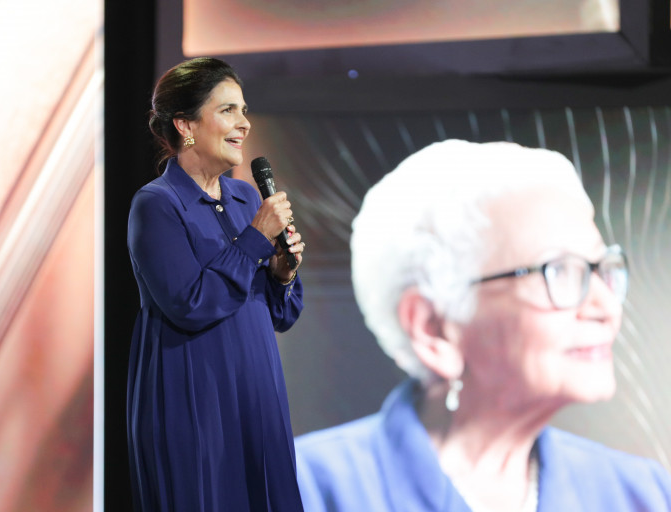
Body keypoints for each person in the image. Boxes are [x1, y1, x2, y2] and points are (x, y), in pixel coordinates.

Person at [295, 140, 671, 511]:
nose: (607, 308)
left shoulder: (642, 494)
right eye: (559, 271)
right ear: (434, 329)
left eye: (602, 269)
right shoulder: (300, 489)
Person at [126, 57, 306, 511]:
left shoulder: (246, 196)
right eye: (228, 110)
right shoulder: (157, 204)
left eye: (244, 111)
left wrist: (282, 274)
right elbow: (189, 303)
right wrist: (256, 237)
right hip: (194, 397)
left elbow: (279, 313)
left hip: (257, 392)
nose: (244, 123)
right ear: (185, 125)